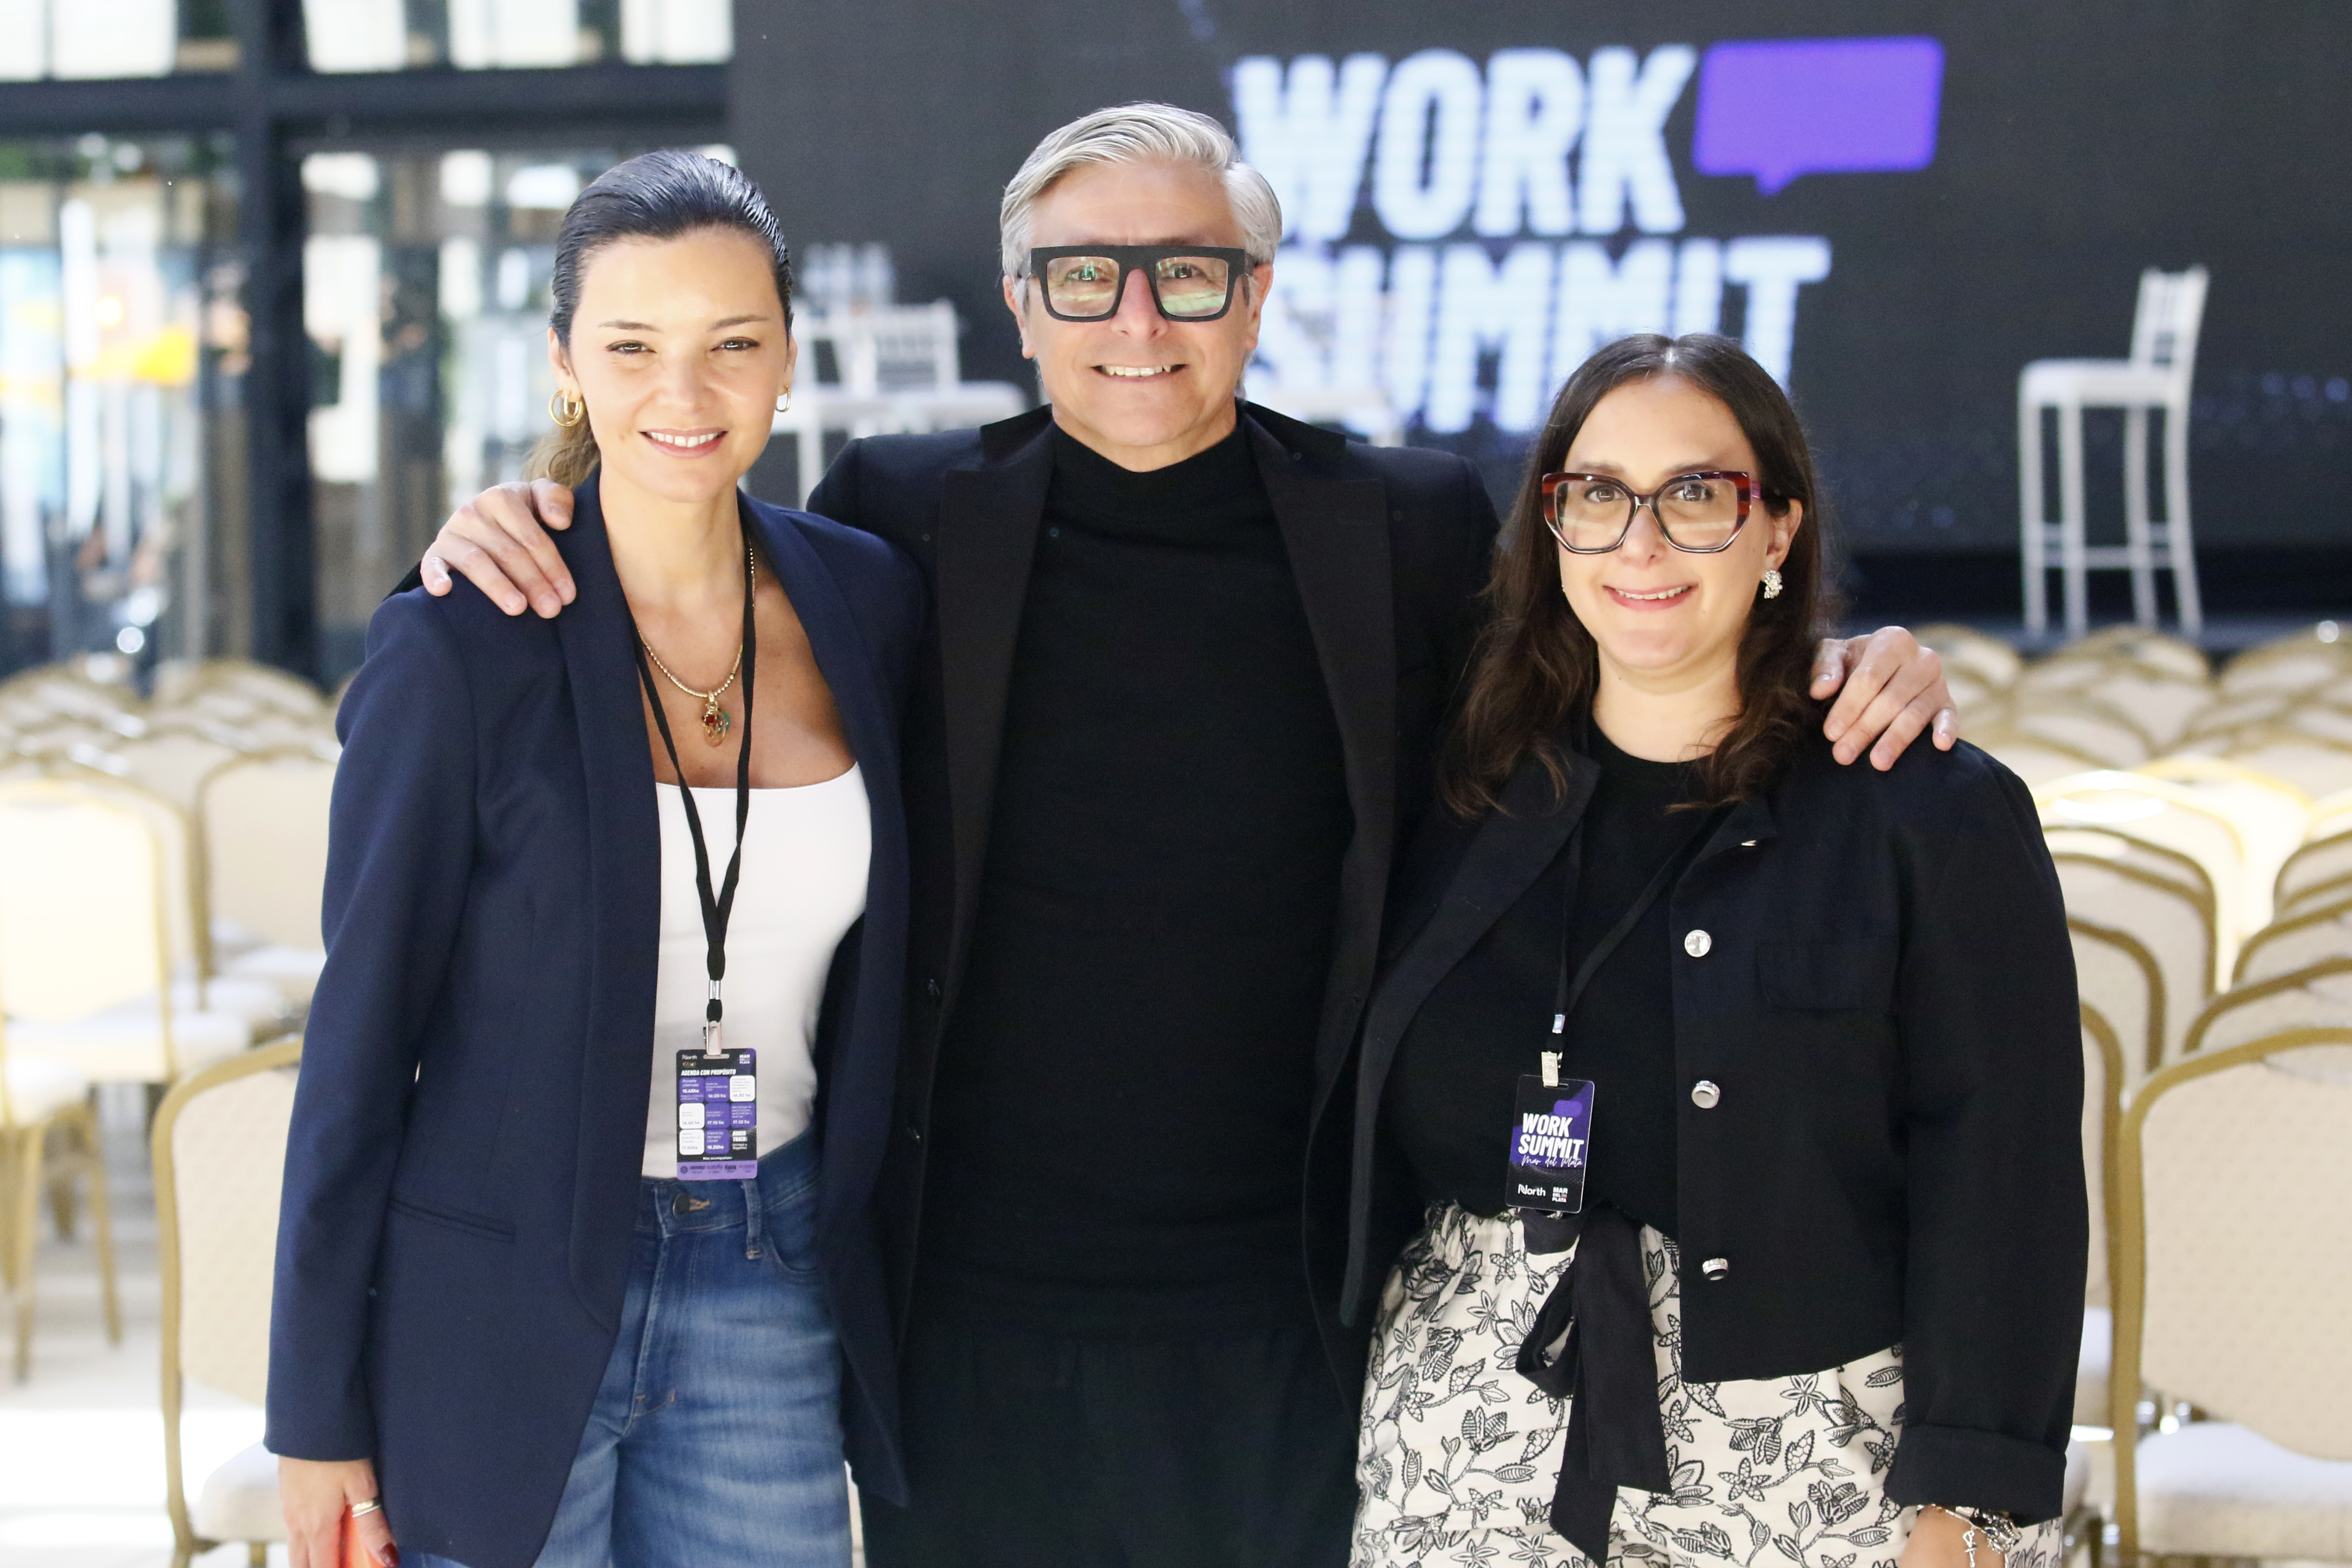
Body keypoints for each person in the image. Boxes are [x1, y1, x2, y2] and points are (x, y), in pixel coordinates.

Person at [409, 108, 1961, 1568]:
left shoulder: (1405, 526)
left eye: (1187, 272)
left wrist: (1835, 660)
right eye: (1084, 276)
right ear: (1021, 304)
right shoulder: (902, 513)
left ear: (1256, 293)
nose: (1135, 320)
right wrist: (517, 514)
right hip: (965, 1301)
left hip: (1288, 1301)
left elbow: (1612, 689)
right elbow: (681, 549)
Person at [267, 151, 923, 1568]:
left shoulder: (869, 600)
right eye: (631, 347)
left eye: (730, 345)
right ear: (565, 363)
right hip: (498, 1289)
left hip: (772, 1260)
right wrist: (313, 1410)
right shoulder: (462, 639)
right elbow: (358, 1040)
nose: (682, 397)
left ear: (787, 362)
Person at [1339, 334, 2083, 1568]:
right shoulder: (1460, 793)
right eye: (1598, 495)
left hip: (1821, 1452)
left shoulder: (1924, 809)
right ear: (1552, 529)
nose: (1640, 541)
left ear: (1777, 529)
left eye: (1696, 495)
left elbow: (2002, 1170)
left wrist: (1975, 1513)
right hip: (1465, 1433)